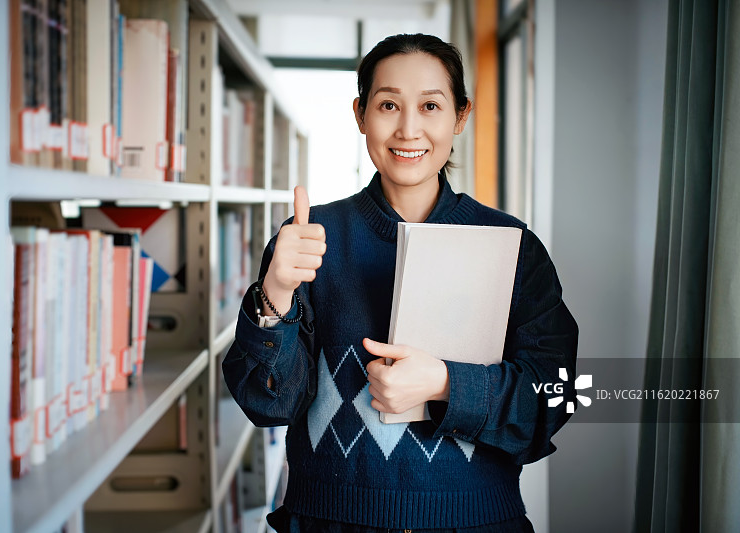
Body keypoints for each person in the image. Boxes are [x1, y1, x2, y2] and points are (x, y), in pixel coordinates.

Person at [223, 33, 578, 533]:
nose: (409, 129)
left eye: (430, 106)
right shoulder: (308, 239)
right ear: (360, 114)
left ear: (460, 116)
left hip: (476, 524)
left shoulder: (513, 246)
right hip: (329, 522)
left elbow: (554, 397)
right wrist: (276, 293)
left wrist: (446, 384)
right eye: (388, 105)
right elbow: (267, 404)